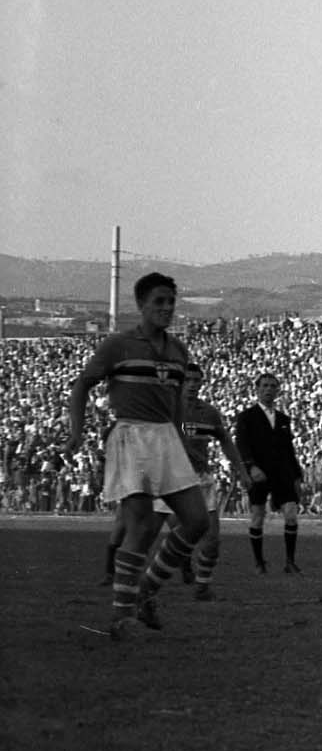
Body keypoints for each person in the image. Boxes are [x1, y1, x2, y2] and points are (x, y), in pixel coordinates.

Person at [61, 272, 210, 638]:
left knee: (196, 521)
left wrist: (180, 440)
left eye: (171, 301)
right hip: (131, 436)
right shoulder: (119, 345)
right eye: (159, 301)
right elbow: (81, 385)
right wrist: (76, 431)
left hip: (166, 438)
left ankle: (145, 591)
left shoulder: (179, 351)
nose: (167, 308)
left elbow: (175, 402)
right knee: (141, 526)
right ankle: (122, 615)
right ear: (141, 304)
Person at [175, 362, 245, 599]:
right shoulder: (166, 410)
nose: (192, 385)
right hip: (171, 479)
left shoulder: (209, 413)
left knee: (212, 539)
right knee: (181, 534)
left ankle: (202, 587)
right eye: (188, 380)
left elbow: (225, 440)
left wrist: (242, 471)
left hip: (201, 479)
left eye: (196, 381)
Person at [234, 373, 306, 573]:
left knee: (291, 514)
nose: (268, 389)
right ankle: (259, 562)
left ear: (277, 390)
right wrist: (251, 467)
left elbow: (289, 449)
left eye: (273, 386)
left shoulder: (283, 419)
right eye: (265, 385)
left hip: (282, 473)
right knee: (258, 515)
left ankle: (290, 562)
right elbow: (242, 445)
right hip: (259, 473)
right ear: (257, 389)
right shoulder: (247, 417)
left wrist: (296, 474)